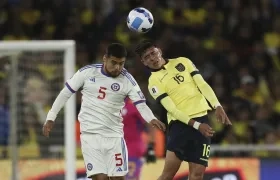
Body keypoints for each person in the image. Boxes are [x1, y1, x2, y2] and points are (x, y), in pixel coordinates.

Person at [42, 43, 166, 180]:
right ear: (105, 58)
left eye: (121, 63)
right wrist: (51, 117)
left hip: (114, 137)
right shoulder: (87, 72)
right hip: (90, 136)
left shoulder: (127, 80)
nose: (117, 67)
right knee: (100, 178)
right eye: (114, 62)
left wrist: (151, 118)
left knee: (118, 178)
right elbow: (65, 93)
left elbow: (141, 104)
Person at [134, 41, 232, 180]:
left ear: (159, 51)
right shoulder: (154, 82)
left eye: (153, 53)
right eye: (147, 57)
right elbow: (172, 109)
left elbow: (202, 84)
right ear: (144, 62)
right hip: (180, 126)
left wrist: (217, 105)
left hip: (202, 119)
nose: (152, 58)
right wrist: (197, 126)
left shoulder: (183, 62)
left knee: (197, 175)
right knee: (168, 175)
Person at [122, 98, 156, 180]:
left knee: (130, 178)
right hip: (117, 149)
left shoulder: (134, 106)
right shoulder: (113, 105)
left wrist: (151, 146)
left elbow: (152, 124)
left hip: (133, 148)